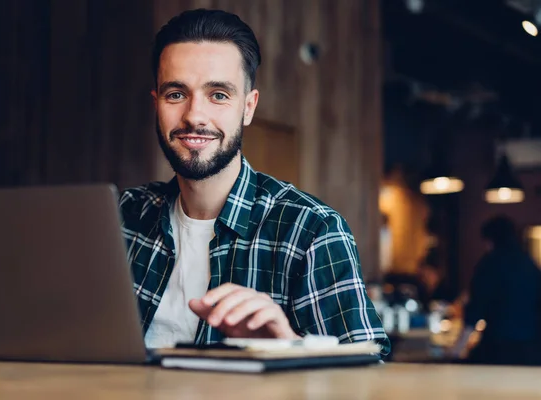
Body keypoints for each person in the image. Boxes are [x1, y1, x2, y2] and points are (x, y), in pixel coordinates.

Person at [119, 8, 390, 356]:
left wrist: (290, 347)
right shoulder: (120, 217)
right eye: (176, 94)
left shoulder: (311, 230)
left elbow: (372, 376)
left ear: (248, 107)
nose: (194, 115)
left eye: (218, 94)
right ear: (157, 104)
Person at [449, 215, 541, 365]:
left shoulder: (490, 263)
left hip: (498, 347)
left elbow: (476, 308)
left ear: (489, 240)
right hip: (531, 348)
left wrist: (458, 348)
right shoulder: (529, 263)